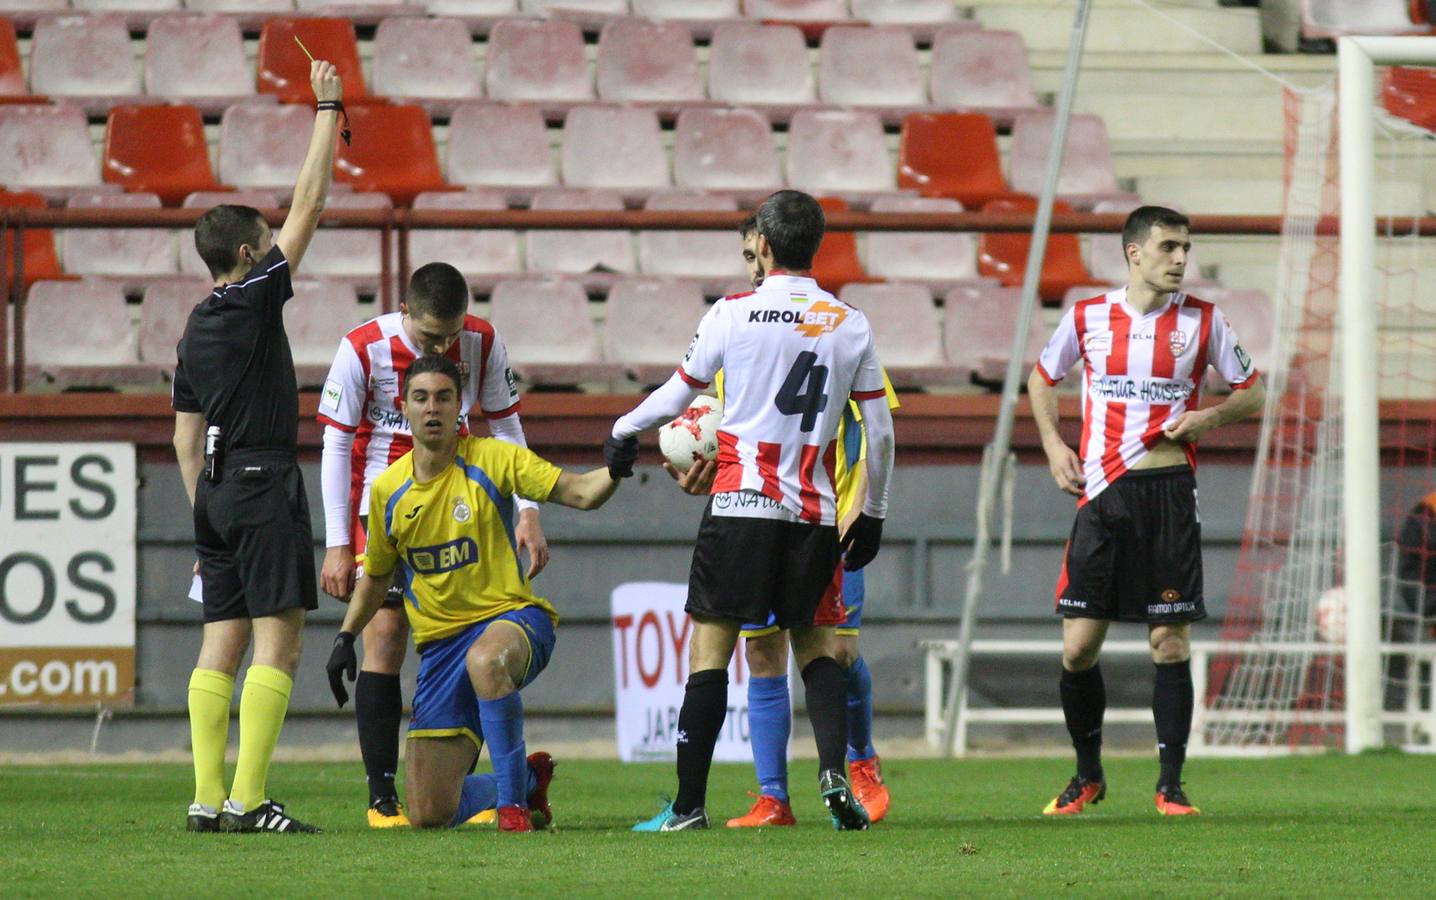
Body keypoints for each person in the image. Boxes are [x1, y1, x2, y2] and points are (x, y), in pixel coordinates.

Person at [615, 190, 895, 832]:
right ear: (814, 246)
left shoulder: (732, 313)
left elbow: (678, 393)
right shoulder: (849, 322)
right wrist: (873, 510)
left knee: (710, 651)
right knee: (817, 647)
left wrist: (622, 428)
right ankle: (832, 770)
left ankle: (688, 807)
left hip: (740, 504)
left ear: (763, 246)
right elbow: (877, 431)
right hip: (813, 512)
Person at [325, 354, 634, 831]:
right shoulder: (388, 490)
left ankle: (512, 809)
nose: (433, 409)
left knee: (486, 661)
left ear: (460, 406)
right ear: (402, 406)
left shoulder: (494, 458)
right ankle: (525, 782)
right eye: (422, 398)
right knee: (430, 812)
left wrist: (616, 469)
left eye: (444, 398)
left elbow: (580, 492)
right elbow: (378, 576)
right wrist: (346, 637)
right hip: (441, 651)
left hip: (512, 622)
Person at [1028, 205, 1266, 817]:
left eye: (1186, 247)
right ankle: (1087, 776)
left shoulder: (1204, 323)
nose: (1182, 259)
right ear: (1135, 253)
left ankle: (1170, 784)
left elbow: (1255, 391)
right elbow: (1040, 378)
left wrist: (1207, 418)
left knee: (1169, 641)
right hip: (1103, 495)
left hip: (1166, 496)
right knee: (1078, 648)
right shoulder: (1088, 317)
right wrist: (1056, 446)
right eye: (1169, 248)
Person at [171, 60, 344, 834]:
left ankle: (206, 800)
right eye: (264, 241)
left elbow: (182, 435)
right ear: (245, 256)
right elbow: (309, 203)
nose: (275, 244)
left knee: (222, 641)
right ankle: (247, 801)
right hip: (261, 476)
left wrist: (207, 518)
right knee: (280, 643)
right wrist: (328, 108)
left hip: (211, 490)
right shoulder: (251, 299)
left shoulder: (194, 325)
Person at [316, 261, 548, 827]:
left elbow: (506, 423)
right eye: (429, 337)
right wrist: (338, 541)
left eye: (451, 334)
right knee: (387, 634)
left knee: (476, 626)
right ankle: (381, 797)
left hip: (461, 499)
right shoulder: (361, 348)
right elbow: (337, 444)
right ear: (403, 316)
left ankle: (502, 785)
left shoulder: (483, 339)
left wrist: (529, 510)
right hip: (388, 504)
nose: (444, 346)